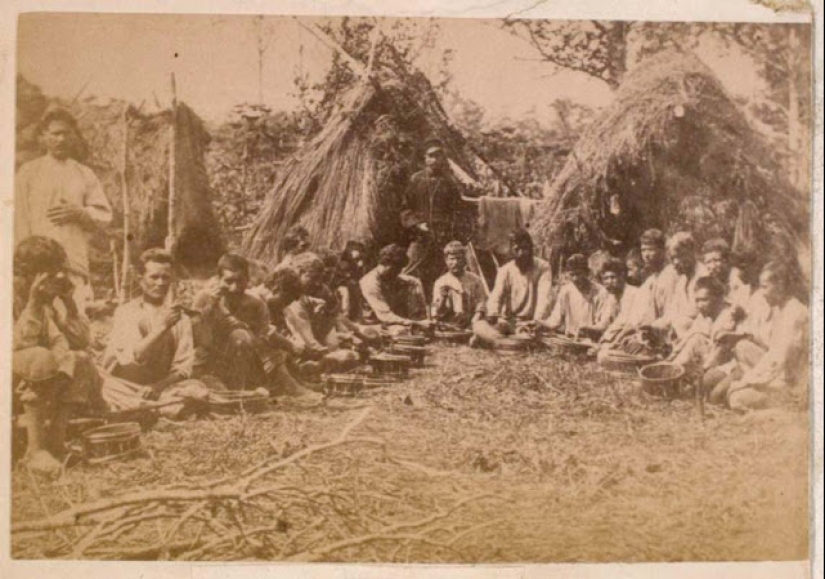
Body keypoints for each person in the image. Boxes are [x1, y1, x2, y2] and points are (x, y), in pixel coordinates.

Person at [12, 236, 105, 475]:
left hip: (37, 379)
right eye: (51, 273)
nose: (59, 278)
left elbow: (71, 341)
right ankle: (34, 451)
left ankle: (55, 442)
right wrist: (32, 303)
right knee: (39, 356)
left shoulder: (46, 301)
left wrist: (69, 304)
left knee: (80, 360)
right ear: (27, 273)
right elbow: (18, 344)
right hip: (15, 381)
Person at [15, 108, 113, 312]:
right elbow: (19, 218)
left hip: (73, 264)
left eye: (66, 133)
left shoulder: (84, 174)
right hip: (37, 265)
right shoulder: (29, 172)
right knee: (39, 320)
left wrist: (81, 213)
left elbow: (105, 215)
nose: (61, 139)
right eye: (55, 133)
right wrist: (23, 263)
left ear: (74, 136)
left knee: (74, 319)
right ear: (43, 136)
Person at [102, 249, 210, 418]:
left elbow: (183, 367)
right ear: (140, 279)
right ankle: (151, 409)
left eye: (165, 277)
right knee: (103, 385)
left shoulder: (180, 318)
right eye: (154, 277)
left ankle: (142, 409)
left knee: (197, 389)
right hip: (126, 384)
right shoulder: (126, 312)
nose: (160, 283)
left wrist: (157, 387)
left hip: (161, 388)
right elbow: (132, 358)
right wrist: (161, 328)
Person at [192, 253, 314, 398]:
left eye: (240, 281)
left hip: (243, 363)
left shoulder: (255, 304)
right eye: (228, 281)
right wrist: (210, 306)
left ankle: (245, 389)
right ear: (219, 279)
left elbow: (264, 337)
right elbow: (192, 332)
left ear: (248, 280)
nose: (234, 288)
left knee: (250, 338)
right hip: (210, 360)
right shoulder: (205, 297)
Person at [711, 262, 808, 411]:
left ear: (780, 285)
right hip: (777, 372)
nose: (762, 293)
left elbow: (778, 361)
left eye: (765, 287)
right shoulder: (779, 309)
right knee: (742, 347)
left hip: (790, 380)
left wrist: (746, 382)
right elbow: (770, 353)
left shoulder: (794, 314)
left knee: (735, 398)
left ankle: (785, 405)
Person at [401, 138, 470, 298]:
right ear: (425, 158)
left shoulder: (449, 182)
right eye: (431, 156)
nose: (435, 160)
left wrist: (452, 231)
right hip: (420, 236)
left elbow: (458, 211)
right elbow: (405, 208)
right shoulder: (416, 180)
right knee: (408, 269)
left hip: (442, 237)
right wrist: (417, 225)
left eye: (439, 156)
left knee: (443, 273)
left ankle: (441, 308)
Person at [473, 229, 552, 345]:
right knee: (479, 325)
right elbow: (496, 297)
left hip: (530, 324)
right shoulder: (505, 270)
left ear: (531, 249)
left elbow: (544, 298)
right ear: (511, 251)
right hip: (508, 323)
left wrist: (537, 321)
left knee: (532, 336)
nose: (522, 253)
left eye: (525, 248)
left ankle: (498, 342)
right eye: (517, 249)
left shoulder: (543, 267)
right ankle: (504, 341)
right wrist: (494, 315)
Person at [286, 252, 362, 371]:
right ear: (300, 273)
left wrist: (350, 335)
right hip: (296, 342)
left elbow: (333, 317)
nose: (317, 283)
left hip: (315, 340)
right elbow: (305, 336)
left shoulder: (322, 289)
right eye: (314, 277)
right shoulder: (290, 295)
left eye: (320, 278)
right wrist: (327, 352)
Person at [668, 276, 742, 397]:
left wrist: (704, 369)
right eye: (697, 301)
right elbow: (689, 335)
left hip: (726, 364)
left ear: (718, 298)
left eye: (704, 300)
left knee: (701, 388)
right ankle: (671, 373)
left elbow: (720, 353)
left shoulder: (728, 316)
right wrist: (672, 358)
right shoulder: (705, 315)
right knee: (696, 338)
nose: (699, 305)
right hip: (709, 358)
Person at [360, 244, 431, 335]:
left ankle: (420, 320)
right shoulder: (370, 282)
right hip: (373, 325)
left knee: (413, 281)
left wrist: (421, 320)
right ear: (387, 264)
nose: (398, 272)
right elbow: (385, 316)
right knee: (400, 331)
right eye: (397, 269)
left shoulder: (389, 276)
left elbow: (412, 282)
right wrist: (415, 323)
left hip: (389, 323)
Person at [539, 254, 612, 340]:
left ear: (587, 273)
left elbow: (604, 323)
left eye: (578, 274)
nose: (575, 278)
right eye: (572, 275)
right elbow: (555, 319)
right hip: (570, 339)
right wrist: (541, 324)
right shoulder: (566, 291)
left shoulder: (600, 292)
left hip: (591, 341)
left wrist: (589, 329)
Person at [647, 232, 700, 339]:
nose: (675, 262)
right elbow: (672, 310)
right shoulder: (682, 280)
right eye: (672, 259)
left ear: (691, 253)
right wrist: (653, 326)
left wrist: (673, 322)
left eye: (679, 256)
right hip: (680, 327)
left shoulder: (702, 276)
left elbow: (697, 312)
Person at [431, 241, 487, 330]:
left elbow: (481, 305)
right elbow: (436, 313)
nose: (455, 262)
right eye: (452, 259)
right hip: (448, 325)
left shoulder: (475, 280)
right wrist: (443, 298)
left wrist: (473, 323)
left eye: (459, 258)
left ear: (464, 260)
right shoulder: (440, 282)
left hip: (472, 324)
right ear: (446, 260)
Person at [598, 257, 644, 344]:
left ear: (622, 276)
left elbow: (624, 323)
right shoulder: (612, 296)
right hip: (618, 338)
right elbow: (605, 322)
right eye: (605, 278)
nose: (609, 282)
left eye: (612, 277)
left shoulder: (633, 293)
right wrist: (588, 329)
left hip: (633, 338)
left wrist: (606, 340)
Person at [699, 238, 751, 309]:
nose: (713, 266)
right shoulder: (712, 281)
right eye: (708, 262)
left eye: (717, 260)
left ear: (726, 260)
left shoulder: (737, 280)